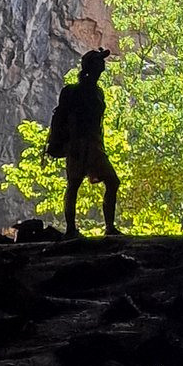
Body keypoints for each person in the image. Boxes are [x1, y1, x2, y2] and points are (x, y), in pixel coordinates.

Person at [51, 48, 118, 238]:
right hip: (79, 144)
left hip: (93, 143)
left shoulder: (96, 92)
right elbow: (68, 118)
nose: (103, 63)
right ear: (93, 66)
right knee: (76, 184)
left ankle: (105, 228)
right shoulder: (77, 92)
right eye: (99, 61)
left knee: (85, 183)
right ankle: (74, 229)